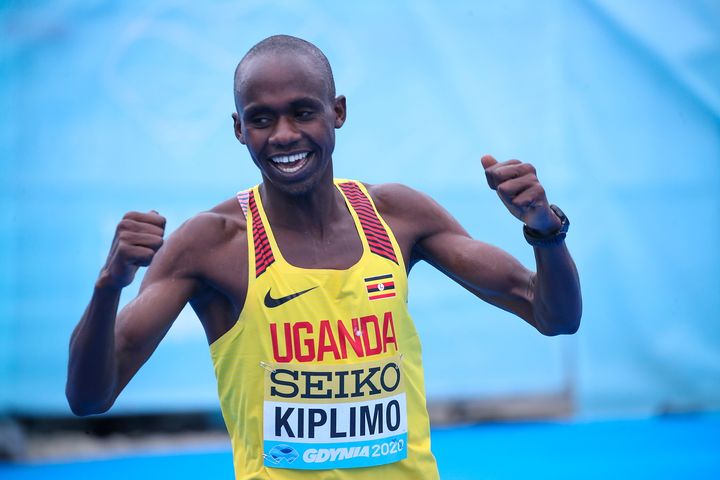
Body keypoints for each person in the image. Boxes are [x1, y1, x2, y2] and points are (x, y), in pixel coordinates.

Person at [66, 35, 581, 479]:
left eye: (303, 111)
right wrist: (109, 285)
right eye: (261, 119)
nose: (285, 134)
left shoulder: (397, 216)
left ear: (337, 111)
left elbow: (552, 314)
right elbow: (90, 396)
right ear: (239, 129)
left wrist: (545, 230)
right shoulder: (212, 243)